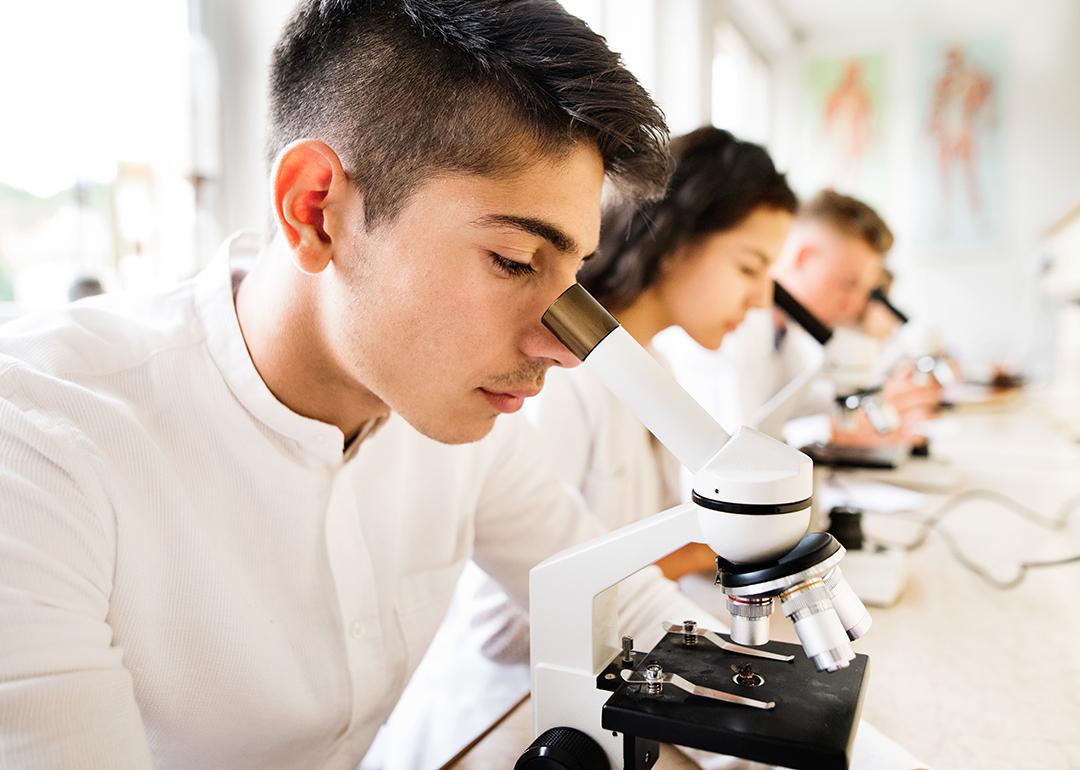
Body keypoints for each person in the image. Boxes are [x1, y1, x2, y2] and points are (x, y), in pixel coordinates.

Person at [0, 3, 710, 768]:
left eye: (572, 279)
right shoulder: (40, 448)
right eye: (512, 261)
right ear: (315, 210)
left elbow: (623, 606)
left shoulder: (462, 424)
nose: (563, 348)